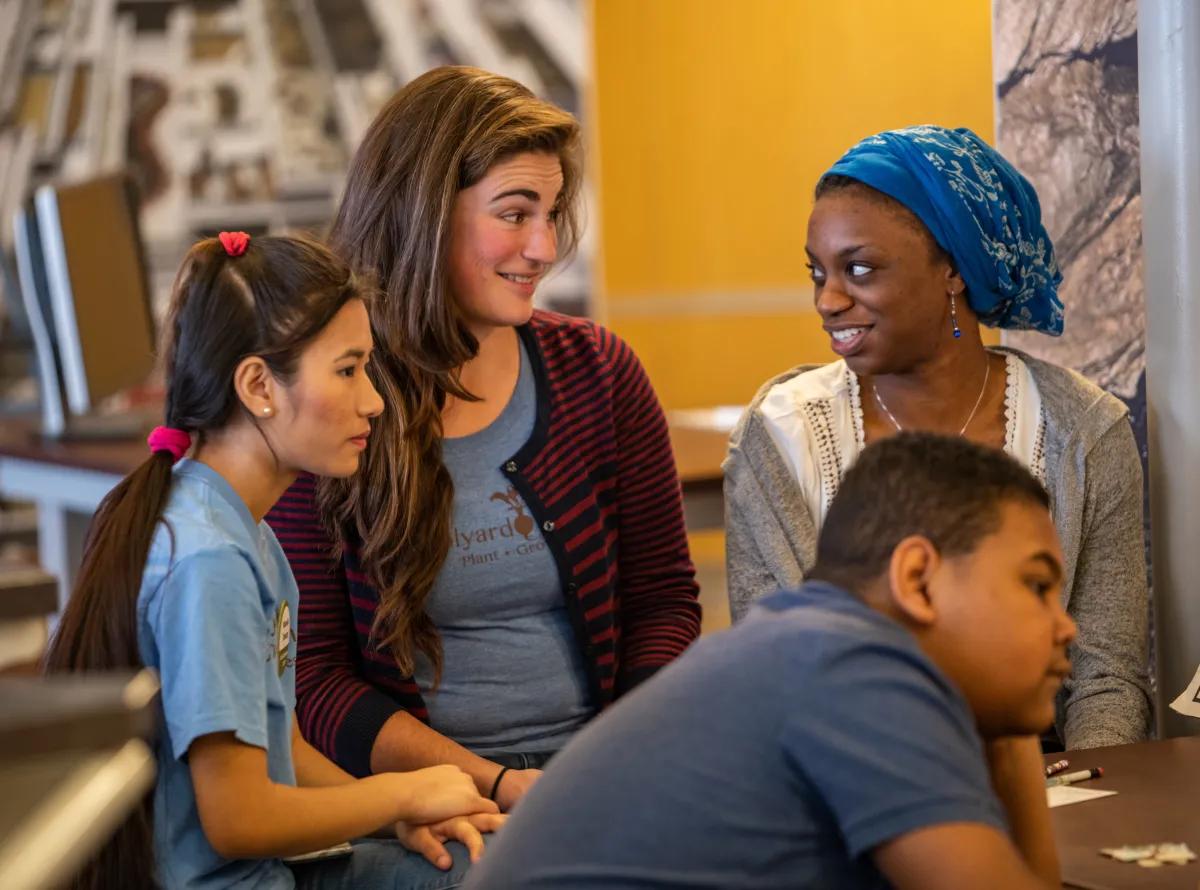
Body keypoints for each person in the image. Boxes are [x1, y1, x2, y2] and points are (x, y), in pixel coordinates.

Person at [266, 65, 701, 811]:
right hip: (418, 801)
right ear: (425, 214)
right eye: (514, 213)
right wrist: (492, 786)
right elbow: (314, 679)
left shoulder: (598, 371)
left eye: (553, 213)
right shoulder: (326, 404)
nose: (543, 248)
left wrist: (624, 756)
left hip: (599, 771)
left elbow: (664, 603)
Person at [44, 233, 502, 890]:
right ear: (258, 385)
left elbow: (279, 748)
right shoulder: (209, 561)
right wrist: (400, 795)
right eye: (348, 370)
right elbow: (239, 818)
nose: (372, 400)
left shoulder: (242, 531)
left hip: (268, 873)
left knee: (484, 858)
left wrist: (390, 818)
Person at [463, 433, 1074, 890]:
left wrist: (1009, 723)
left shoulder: (809, 641)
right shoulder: (854, 666)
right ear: (917, 579)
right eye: (1037, 587)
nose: (1064, 624)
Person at [724, 125, 1150, 750]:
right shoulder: (783, 435)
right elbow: (781, 675)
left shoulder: (1084, 430)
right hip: (849, 778)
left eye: (860, 269)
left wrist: (1083, 809)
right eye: (818, 273)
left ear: (953, 270)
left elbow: (1106, 677)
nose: (828, 301)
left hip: (1046, 775)